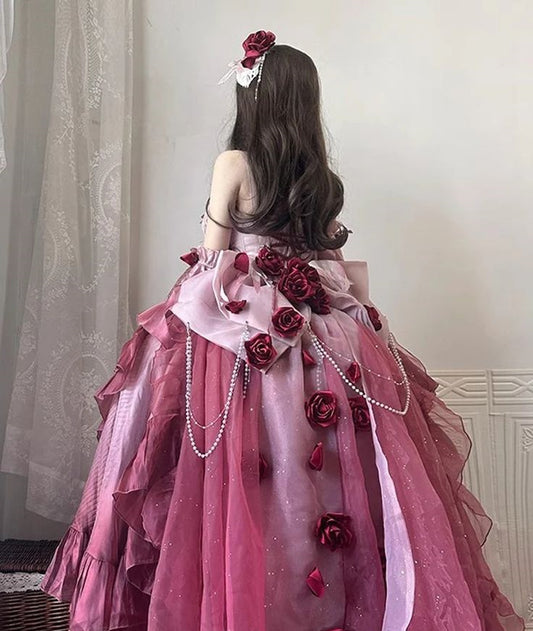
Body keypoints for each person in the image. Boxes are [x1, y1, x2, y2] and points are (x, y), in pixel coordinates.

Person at [40, 30, 525, 631]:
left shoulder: (235, 163)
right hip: (326, 332)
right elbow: (325, 257)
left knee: (241, 475)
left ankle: (240, 599)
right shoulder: (321, 176)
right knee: (331, 478)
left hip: (246, 334)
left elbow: (215, 252)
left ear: (254, 97)